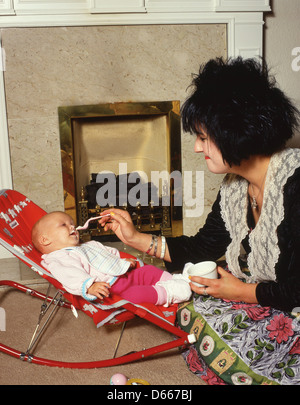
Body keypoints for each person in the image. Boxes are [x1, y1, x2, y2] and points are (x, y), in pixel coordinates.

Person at [99, 57, 300, 385]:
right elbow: (204, 246)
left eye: (204, 137)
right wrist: (135, 238)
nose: (196, 147)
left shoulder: (295, 184)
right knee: (189, 304)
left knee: (238, 344)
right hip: (272, 290)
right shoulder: (236, 186)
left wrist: (244, 292)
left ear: (238, 133)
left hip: (294, 298)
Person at [31, 211, 191, 306]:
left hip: (124, 274)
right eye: (63, 225)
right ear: (45, 240)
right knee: (135, 296)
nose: (72, 226)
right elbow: (70, 275)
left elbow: (107, 253)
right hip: (114, 290)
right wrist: (89, 286)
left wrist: (121, 263)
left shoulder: (85, 245)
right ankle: (169, 292)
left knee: (147, 271)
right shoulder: (59, 258)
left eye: (71, 223)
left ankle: (176, 279)